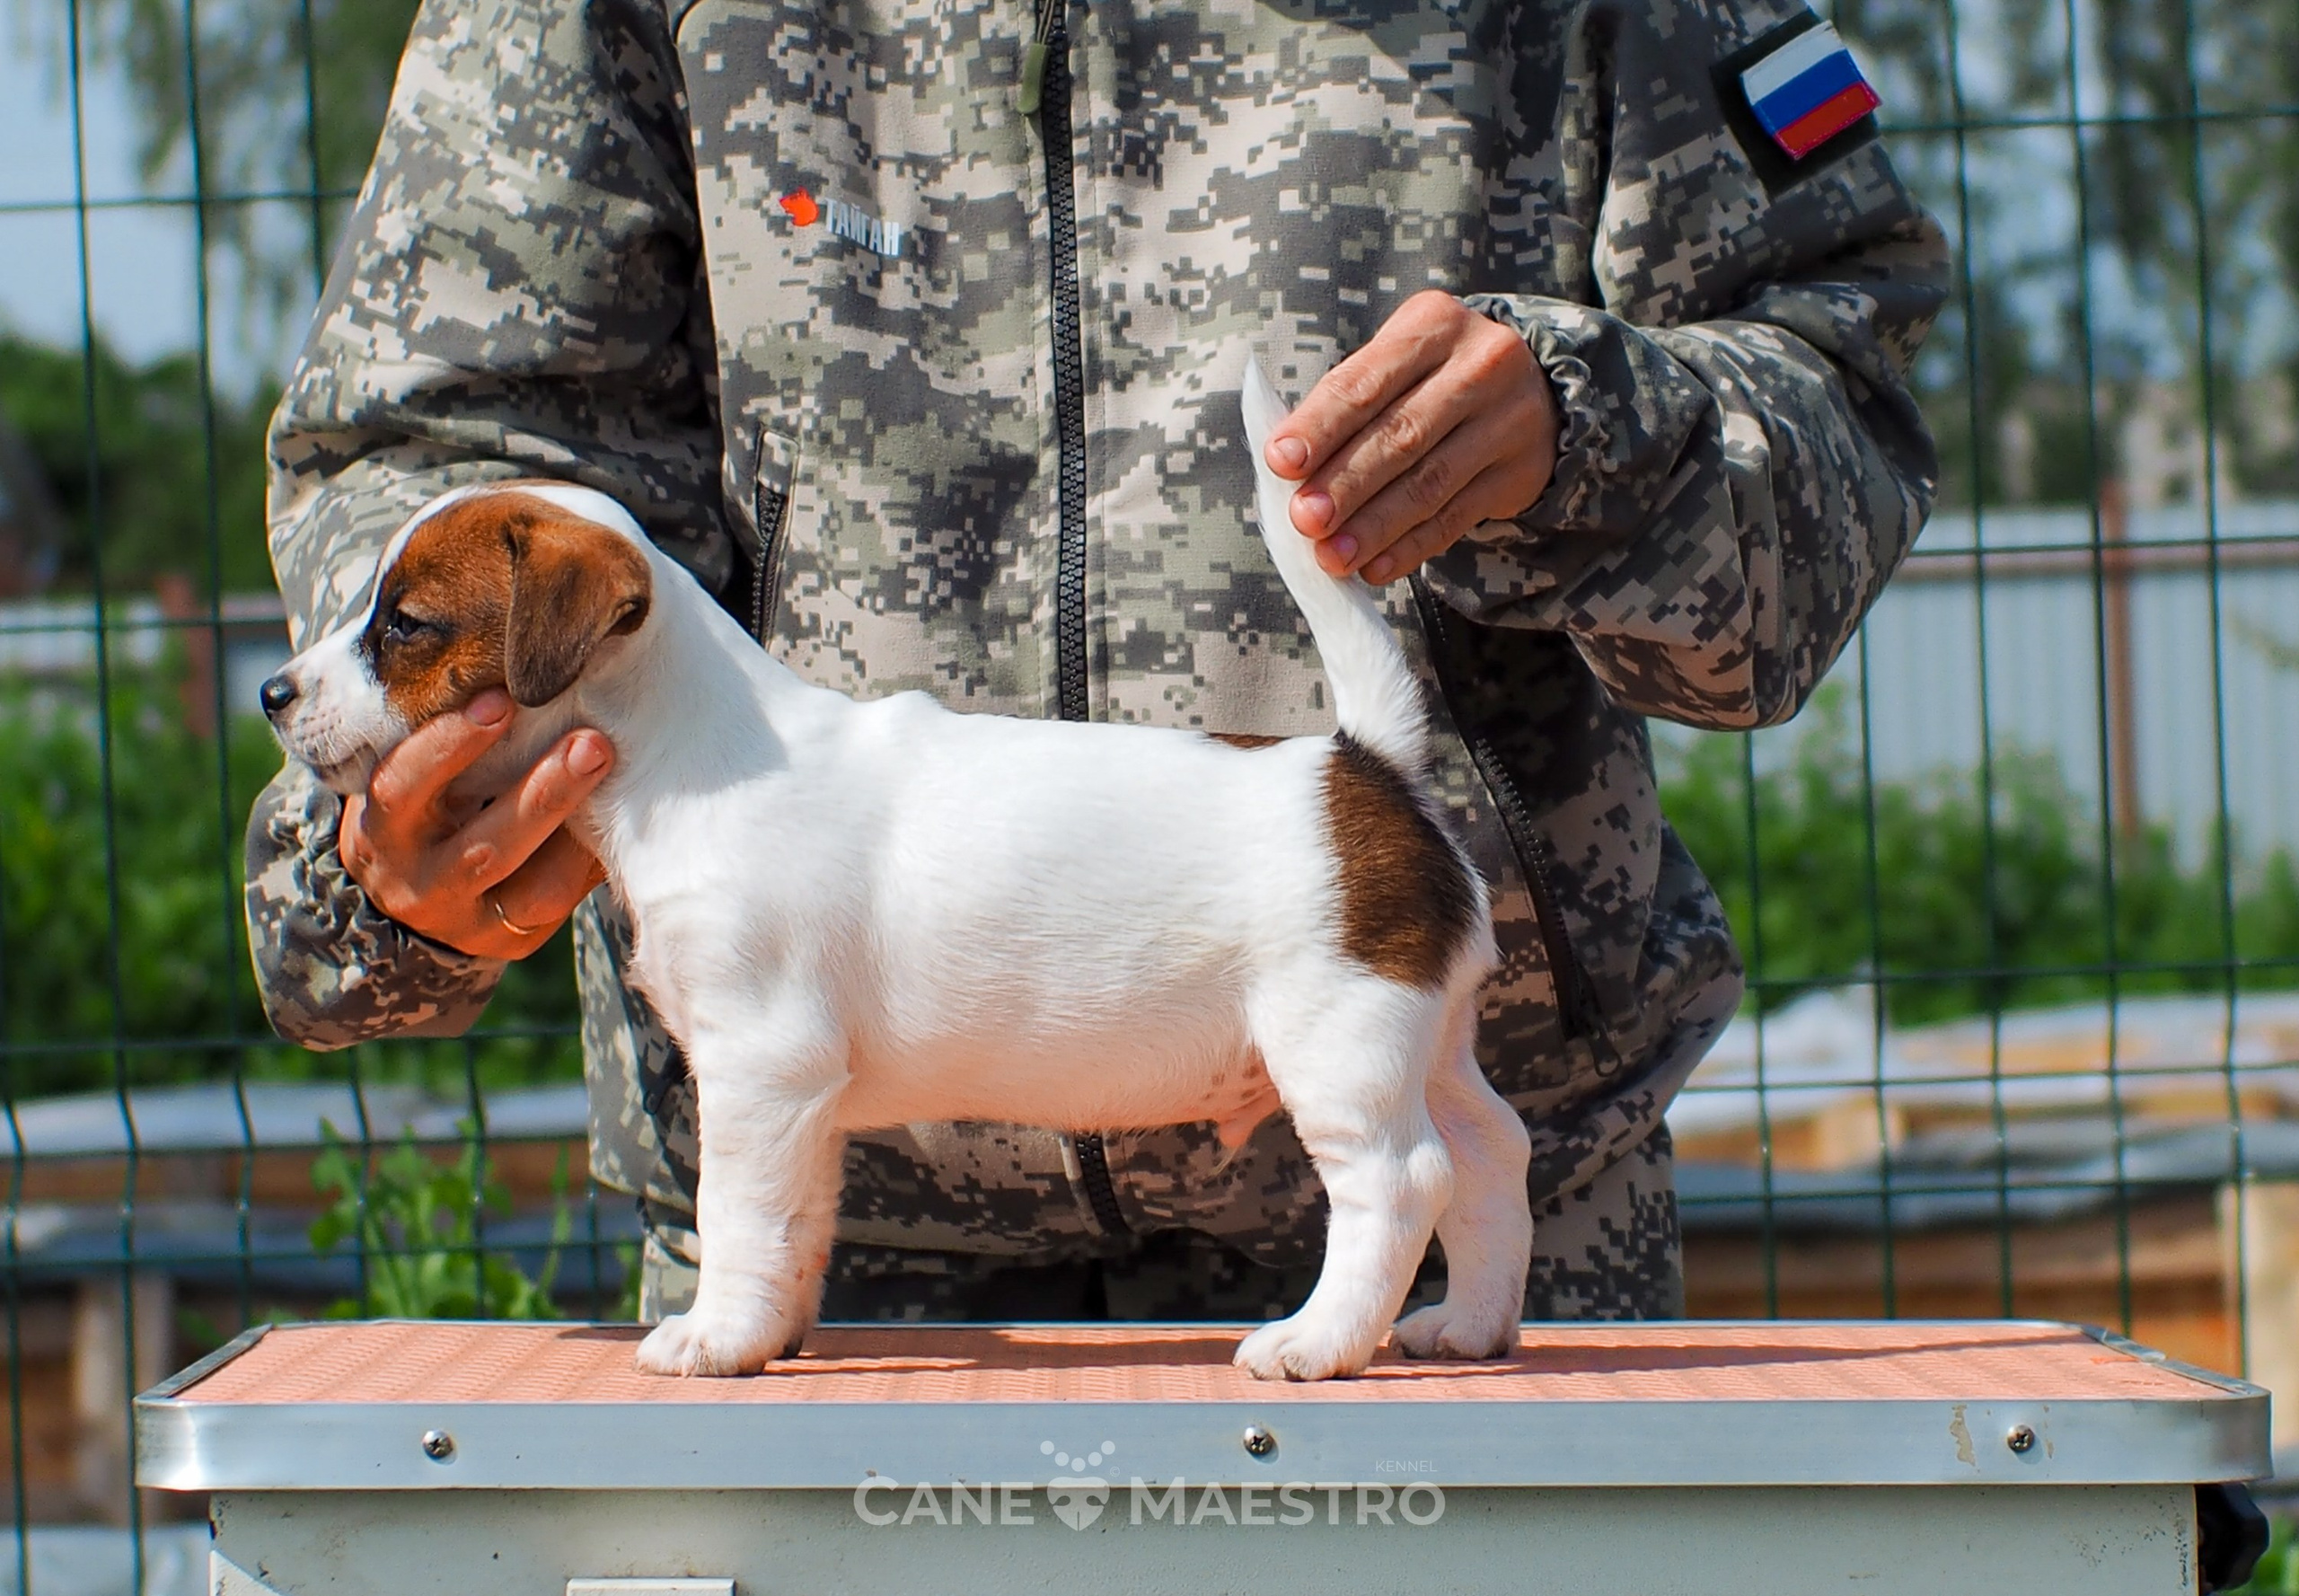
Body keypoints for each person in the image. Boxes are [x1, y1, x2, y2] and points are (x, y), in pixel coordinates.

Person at [246, 0, 1946, 1324]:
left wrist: (1592, 429)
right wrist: (377, 858)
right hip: (831, 1268)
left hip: (1468, 1256)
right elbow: (438, 466)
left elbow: (1843, 392)